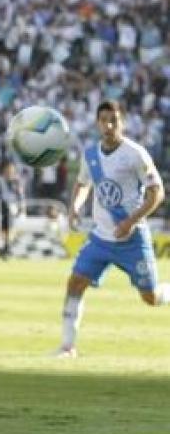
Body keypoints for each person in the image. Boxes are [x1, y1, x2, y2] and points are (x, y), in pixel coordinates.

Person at [57, 100, 169, 358]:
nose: (108, 126)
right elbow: (83, 183)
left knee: (150, 297)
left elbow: (157, 193)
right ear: (97, 123)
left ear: (123, 122)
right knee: (75, 283)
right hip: (101, 238)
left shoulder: (135, 154)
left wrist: (131, 221)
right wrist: (75, 206)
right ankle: (67, 347)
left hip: (132, 239)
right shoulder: (91, 155)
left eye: (114, 120)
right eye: (104, 120)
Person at [0, 161, 25, 260]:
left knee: (10, 230)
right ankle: (2, 248)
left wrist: (21, 207)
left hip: (13, 208)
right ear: (4, 170)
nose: (10, 171)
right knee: (2, 229)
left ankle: (3, 248)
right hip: (1, 207)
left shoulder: (16, 181)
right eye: (8, 169)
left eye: (12, 169)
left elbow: (20, 195)